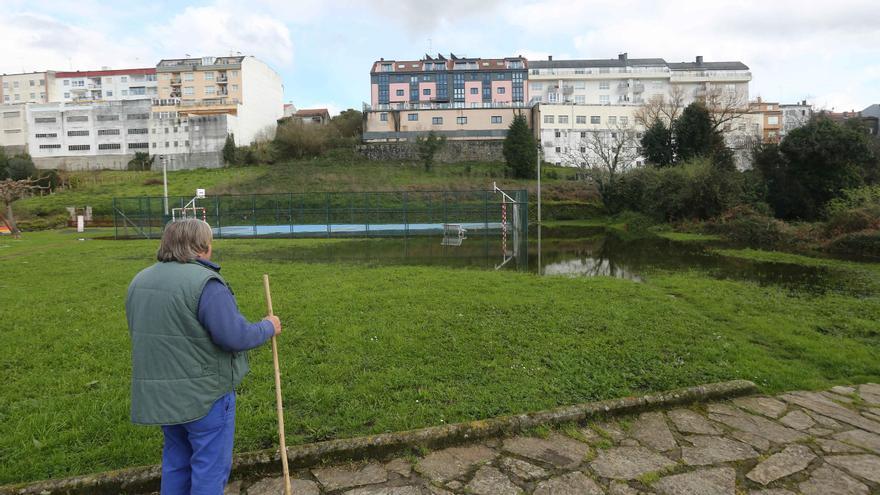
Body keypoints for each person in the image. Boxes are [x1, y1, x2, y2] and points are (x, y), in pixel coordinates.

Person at [125, 218, 281, 494]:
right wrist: (268, 326)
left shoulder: (140, 280)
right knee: (209, 467)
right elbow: (235, 336)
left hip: (164, 395)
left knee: (177, 462)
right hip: (205, 396)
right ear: (201, 246)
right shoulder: (206, 283)